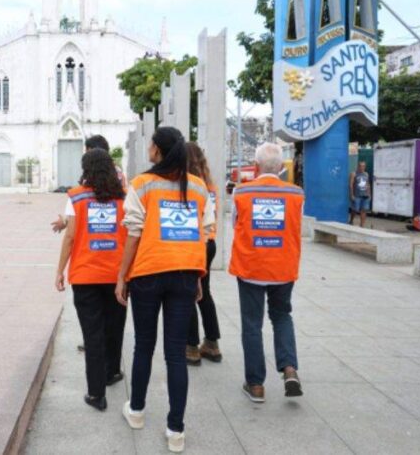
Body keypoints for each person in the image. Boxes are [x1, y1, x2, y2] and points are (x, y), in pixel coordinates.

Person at [116, 126, 213, 454]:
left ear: (157, 149)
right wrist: (199, 276)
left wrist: (122, 276)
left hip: (148, 273)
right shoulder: (198, 188)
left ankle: (138, 411)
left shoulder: (142, 184)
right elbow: (202, 234)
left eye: (151, 143)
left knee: (143, 346)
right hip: (185, 274)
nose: (149, 147)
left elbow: (133, 233)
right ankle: (176, 430)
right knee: (175, 354)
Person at [229, 142, 304, 404]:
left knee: (252, 324)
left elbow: (235, 223)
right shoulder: (296, 194)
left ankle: (256, 385)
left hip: (251, 266)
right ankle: (289, 369)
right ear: (282, 168)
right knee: (282, 316)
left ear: (257, 166)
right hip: (283, 267)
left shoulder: (241, 192)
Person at [55, 148, 127, 411]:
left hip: (85, 275)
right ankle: (111, 373)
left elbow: (70, 237)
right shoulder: (123, 198)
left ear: (85, 169)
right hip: (116, 275)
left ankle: (97, 394)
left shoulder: (75, 197)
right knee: (113, 327)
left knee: (92, 334)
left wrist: (60, 270)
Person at [185, 142, 222, 365]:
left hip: (192, 243)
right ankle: (212, 343)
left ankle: (191, 347)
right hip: (210, 243)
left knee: (188, 292)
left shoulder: (188, 187)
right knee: (204, 292)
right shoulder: (210, 187)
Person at [51, 135, 126, 234]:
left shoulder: (92, 176)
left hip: (94, 230)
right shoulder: (118, 173)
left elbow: (85, 208)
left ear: (92, 152)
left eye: (86, 151)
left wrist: (66, 221)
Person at [349, 160, 371, 227]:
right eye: (361, 166)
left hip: (365, 195)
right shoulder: (354, 173)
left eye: (363, 166)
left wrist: (369, 194)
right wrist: (352, 195)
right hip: (357, 195)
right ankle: (351, 220)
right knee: (355, 209)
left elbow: (368, 184)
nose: (362, 167)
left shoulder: (366, 174)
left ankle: (362, 225)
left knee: (364, 210)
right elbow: (351, 185)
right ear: (358, 166)